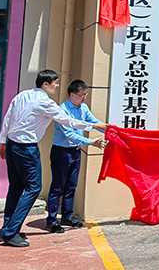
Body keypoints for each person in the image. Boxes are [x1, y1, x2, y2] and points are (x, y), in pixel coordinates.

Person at [0, 70, 108, 247]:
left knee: (16, 188)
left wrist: (3, 142)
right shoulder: (46, 103)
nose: (57, 86)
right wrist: (94, 126)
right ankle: (11, 232)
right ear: (46, 84)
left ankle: (6, 229)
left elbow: (7, 119)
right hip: (27, 149)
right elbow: (69, 122)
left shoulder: (22, 95)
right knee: (34, 188)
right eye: (55, 83)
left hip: (12, 146)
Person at [45, 80, 106, 233]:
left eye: (86, 94)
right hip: (62, 152)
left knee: (71, 185)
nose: (84, 98)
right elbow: (69, 135)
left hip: (76, 151)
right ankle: (51, 220)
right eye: (81, 95)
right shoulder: (62, 110)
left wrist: (109, 129)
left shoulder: (83, 107)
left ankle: (67, 216)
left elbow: (93, 122)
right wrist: (91, 142)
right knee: (58, 186)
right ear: (72, 95)